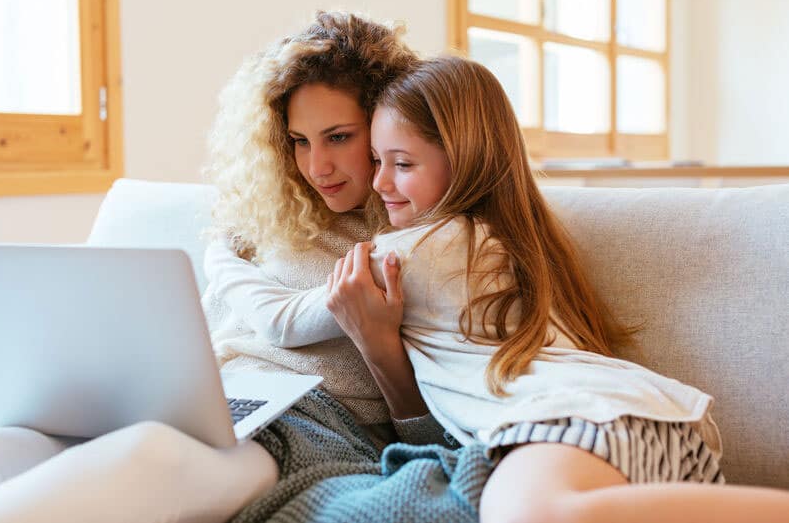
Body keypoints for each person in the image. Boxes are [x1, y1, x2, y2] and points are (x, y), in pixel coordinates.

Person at [0, 11, 445, 523]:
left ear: (385, 125)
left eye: (338, 137)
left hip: (305, 427)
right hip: (202, 398)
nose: (316, 167)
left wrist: (380, 348)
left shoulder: (418, 242)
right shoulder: (264, 220)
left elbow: (434, 436)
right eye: (298, 141)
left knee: (149, 455)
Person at [325, 55, 789, 523]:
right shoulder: (500, 248)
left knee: (526, 513)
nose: (379, 182)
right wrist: (378, 346)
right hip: (619, 439)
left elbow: (281, 319)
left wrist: (244, 265)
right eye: (376, 162)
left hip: (584, 422)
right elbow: (437, 439)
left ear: (466, 162)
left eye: (401, 163)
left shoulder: (426, 248)